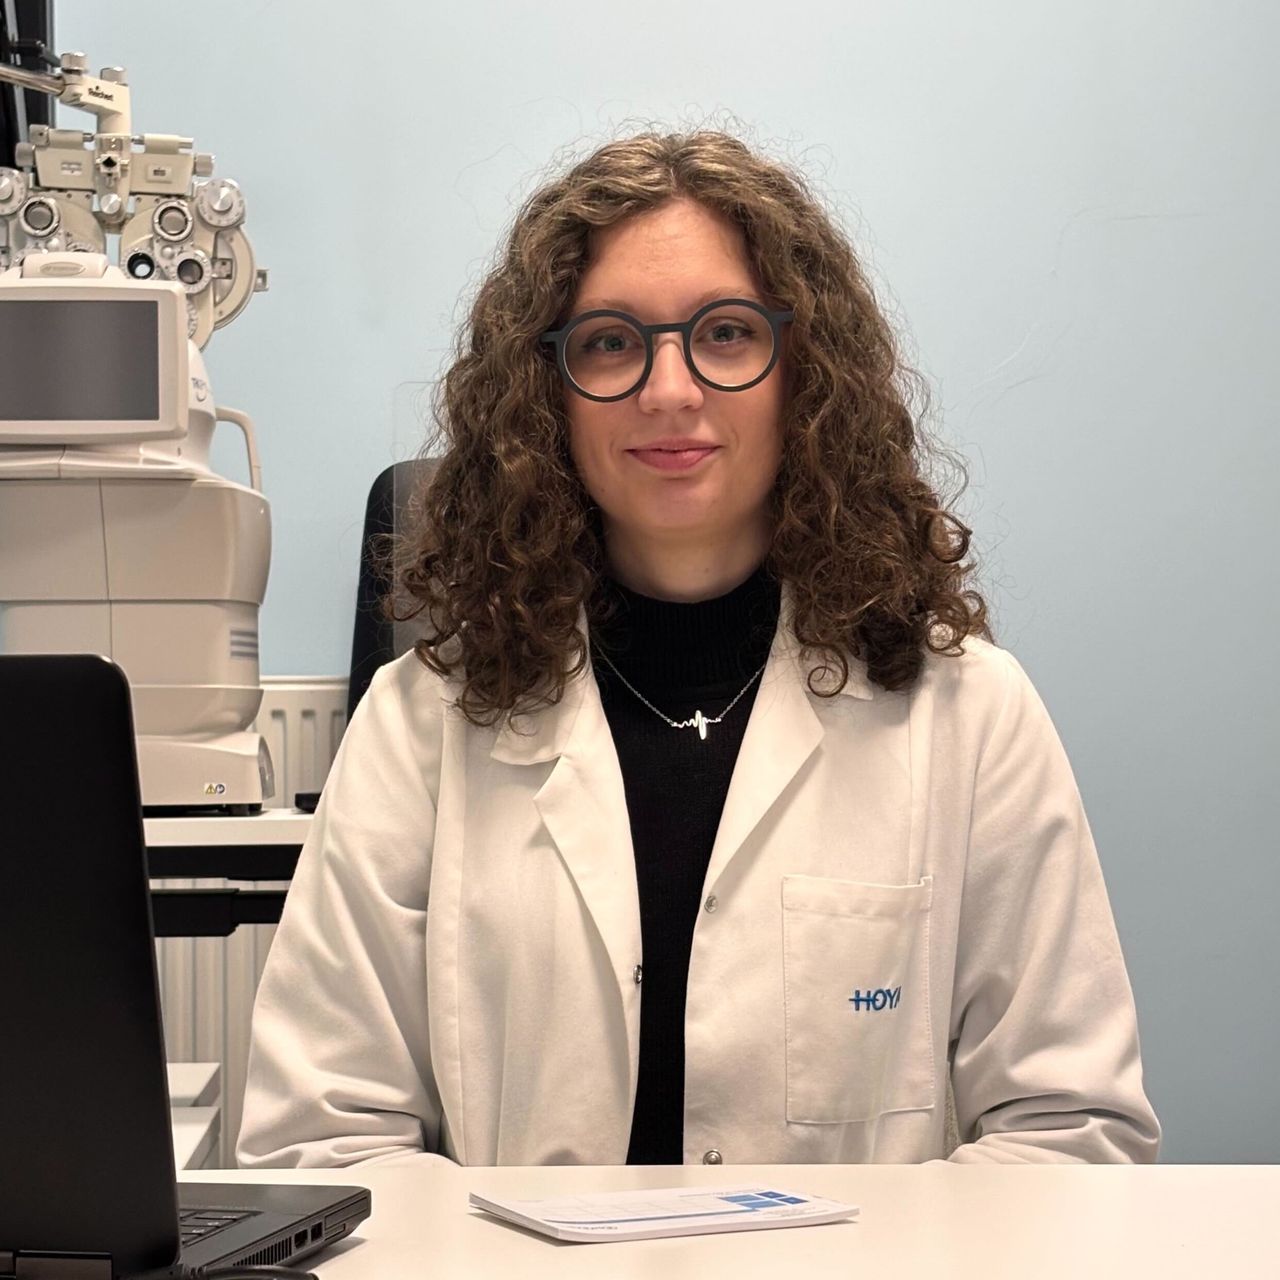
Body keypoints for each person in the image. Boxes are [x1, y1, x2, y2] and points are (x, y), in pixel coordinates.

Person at [237, 128, 1161, 1168]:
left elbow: (1067, 1131)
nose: (669, 390)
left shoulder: (967, 713)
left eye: (725, 333)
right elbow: (321, 1141)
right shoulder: (420, 727)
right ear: (544, 393)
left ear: (805, 374)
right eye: (608, 342)